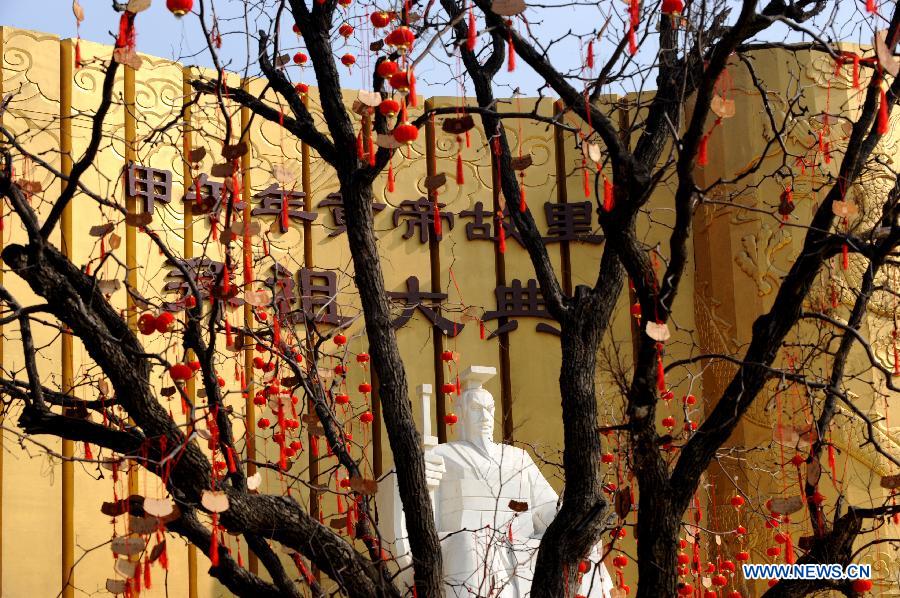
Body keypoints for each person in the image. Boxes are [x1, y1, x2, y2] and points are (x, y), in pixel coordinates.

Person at [377, 366, 613, 597]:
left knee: (582, 540)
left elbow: (549, 509)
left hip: (520, 547)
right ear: (460, 414)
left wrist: (578, 522)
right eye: (476, 409)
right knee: (470, 543)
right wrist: (410, 476)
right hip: (466, 545)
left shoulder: (518, 458)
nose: (486, 417)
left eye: (489, 409)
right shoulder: (441, 455)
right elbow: (403, 501)